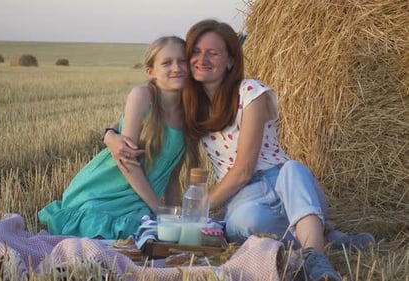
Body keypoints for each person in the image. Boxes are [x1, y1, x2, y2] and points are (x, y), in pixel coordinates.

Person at [105, 20, 375, 281]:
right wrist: (110, 136)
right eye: (196, 53)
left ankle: (315, 257)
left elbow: (244, 170)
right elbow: (146, 116)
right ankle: (325, 236)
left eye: (213, 53)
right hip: (243, 198)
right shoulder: (193, 108)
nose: (202, 59)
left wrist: (196, 214)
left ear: (230, 61)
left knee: (294, 169)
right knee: (240, 226)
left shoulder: (250, 92)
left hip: (282, 182)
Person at [38, 35, 188, 240]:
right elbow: (127, 161)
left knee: (148, 245)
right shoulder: (142, 96)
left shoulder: (190, 114)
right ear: (150, 72)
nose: (177, 67)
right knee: (111, 244)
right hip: (105, 191)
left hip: (140, 201)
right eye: (167, 62)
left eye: (182, 60)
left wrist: (174, 219)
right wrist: (159, 210)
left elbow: (172, 178)